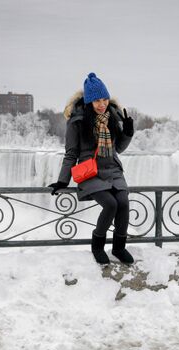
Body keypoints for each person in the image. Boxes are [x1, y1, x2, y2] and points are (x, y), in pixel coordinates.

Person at [47, 73, 135, 265]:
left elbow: (118, 148)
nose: (102, 104)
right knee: (111, 205)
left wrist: (127, 132)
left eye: (104, 99)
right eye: (97, 100)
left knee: (123, 203)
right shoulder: (77, 121)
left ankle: (119, 248)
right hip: (91, 172)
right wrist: (63, 180)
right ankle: (97, 246)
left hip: (113, 169)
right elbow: (71, 154)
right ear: (89, 101)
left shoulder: (112, 116)